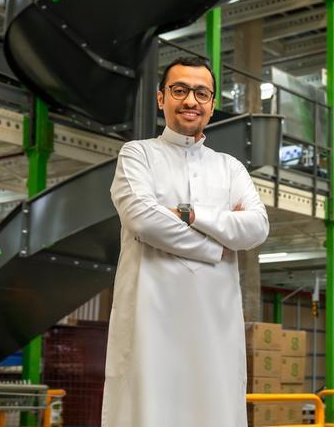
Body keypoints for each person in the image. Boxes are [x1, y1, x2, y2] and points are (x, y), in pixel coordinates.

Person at [102, 56, 269, 427]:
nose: (191, 100)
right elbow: (143, 219)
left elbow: (257, 227)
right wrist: (216, 245)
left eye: (201, 93)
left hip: (215, 328)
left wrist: (190, 214)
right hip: (150, 325)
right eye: (179, 90)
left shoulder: (230, 168)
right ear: (161, 98)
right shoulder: (137, 155)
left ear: (212, 104)